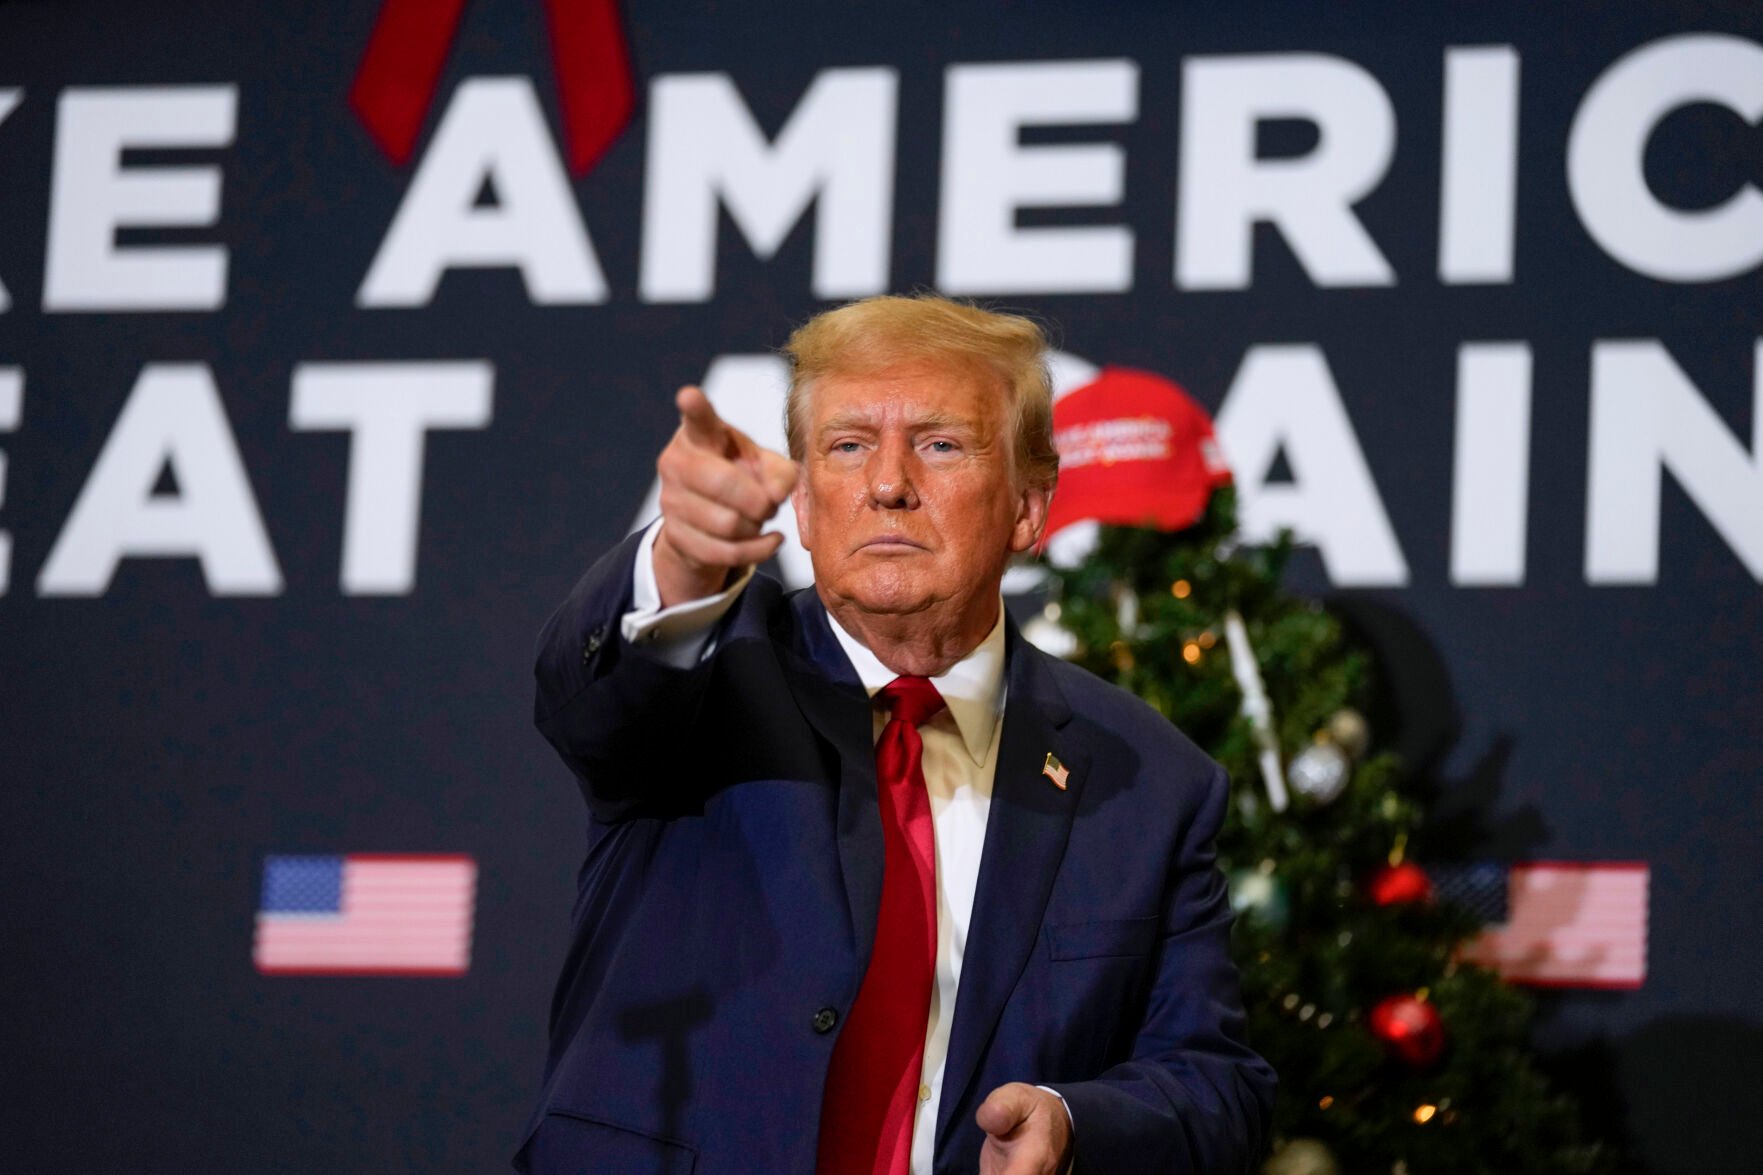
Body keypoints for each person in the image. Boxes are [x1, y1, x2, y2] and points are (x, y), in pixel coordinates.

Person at [517, 295, 1274, 1175]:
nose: (886, 483)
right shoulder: (707, 675)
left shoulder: (1149, 779)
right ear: (803, 504)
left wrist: (1074, 1125)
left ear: (1030, 507)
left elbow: (1220, 1086)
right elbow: (589, 698)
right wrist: (682, 560)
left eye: (939, 443)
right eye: (846, 446)